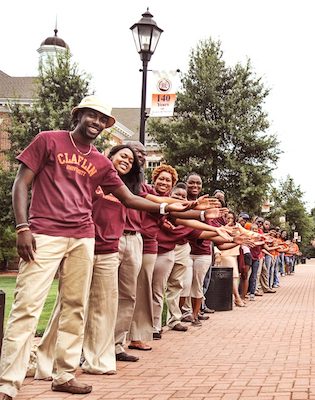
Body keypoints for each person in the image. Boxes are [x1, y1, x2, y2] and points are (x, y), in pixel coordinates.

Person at [0, 95, 190, 400]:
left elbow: (129, 198)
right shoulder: (48, 141)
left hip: (83, 237)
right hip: (44, 233)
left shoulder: (101, 162)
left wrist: (169, 208)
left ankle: (63, 375)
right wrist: (23, 227)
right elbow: (21, 183)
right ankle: (8, 382)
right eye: (92, 116)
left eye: (103, 120)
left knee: (75, 307)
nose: (97, 123)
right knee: (27, 306)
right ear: (79, 115)